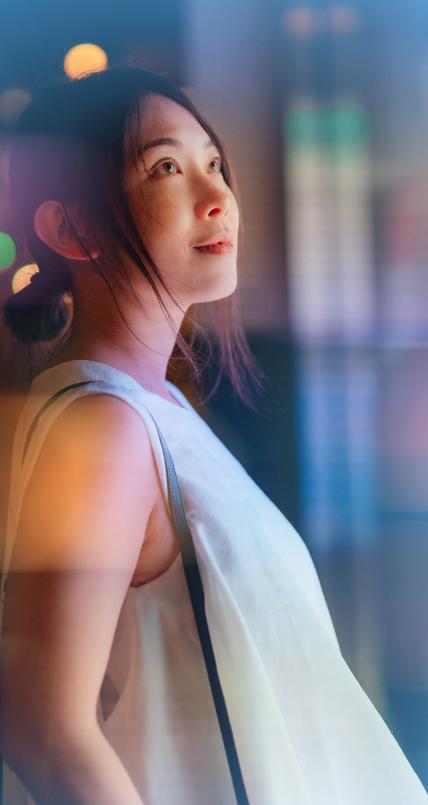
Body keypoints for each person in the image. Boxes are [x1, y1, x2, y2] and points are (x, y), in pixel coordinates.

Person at [0, 66, 426, 805]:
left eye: (214, 163)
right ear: (71, 227)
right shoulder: (104, 423)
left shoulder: (157, 408)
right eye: (167, 166)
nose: (218, 196)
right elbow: (42, 724)